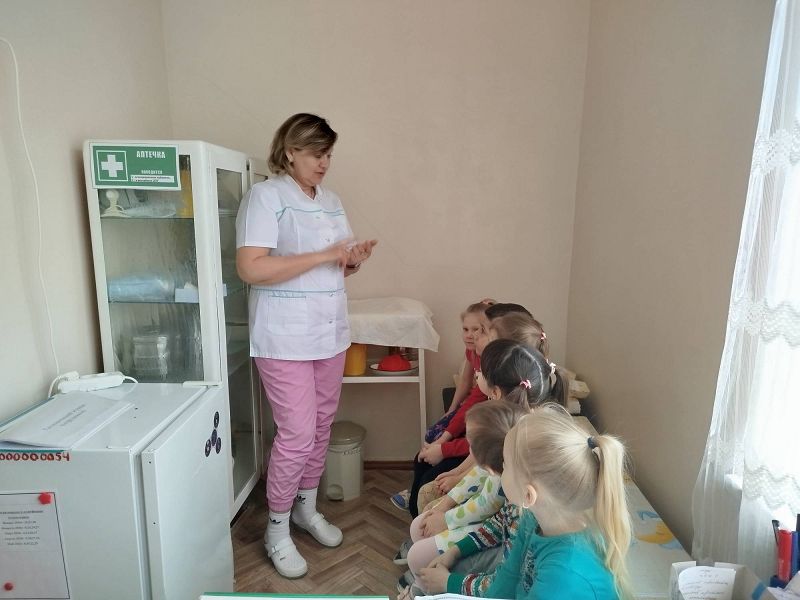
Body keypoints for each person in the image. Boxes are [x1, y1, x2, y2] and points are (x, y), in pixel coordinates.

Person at [235, 112, 377, 579]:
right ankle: (276, 529)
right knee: (296, 433)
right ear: (290, 150)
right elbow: (251, 268)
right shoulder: (266, 196)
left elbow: (336, 263)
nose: (324, 163)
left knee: (319, 427)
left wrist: (351, 261)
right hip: (283, 336)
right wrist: (323, 255)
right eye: (317, 153)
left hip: (328, 331)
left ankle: (305, 508)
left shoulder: (331, 200)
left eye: (329, 154)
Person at [422, 404, 633, 600]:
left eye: (506, 463)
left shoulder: (563, 576)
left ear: (529, 495)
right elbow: (505, 583)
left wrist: (449, 583)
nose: (498, 470)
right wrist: (454, 554)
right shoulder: (533, 518)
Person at [402, 401, 529, 592]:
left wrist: (449, 582)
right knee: (418, 531)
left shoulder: (517, 501)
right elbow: (497, 523)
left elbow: (502, 584)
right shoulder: (513, 500)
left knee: (417, 555)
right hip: (486, 535)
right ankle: (421, 586)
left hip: (487, 564)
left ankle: (420, 588)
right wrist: (454, 549)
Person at [390, 300, 492, 511]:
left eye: (477, 330)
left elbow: (482, 440)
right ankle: (414, 499)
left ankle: (418, 502)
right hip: (471, 421)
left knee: (431, 463)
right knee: (429, 442)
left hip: (476, 435)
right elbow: (467, 386)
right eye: (466, 329)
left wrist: (444, 448)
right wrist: (450, 412)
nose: (471, 335)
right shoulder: (473, 355)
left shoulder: (493, 377)